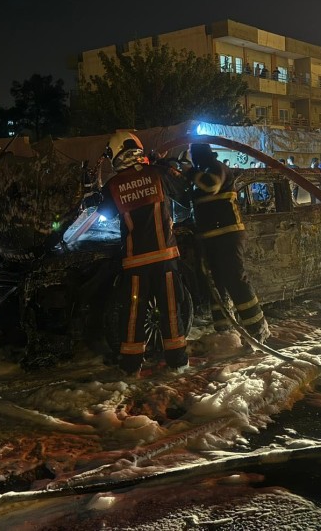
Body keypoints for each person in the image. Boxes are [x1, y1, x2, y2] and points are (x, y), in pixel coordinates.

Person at [97, 131, 190, 375]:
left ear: (116, 154)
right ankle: (177, 362)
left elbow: (104, 214)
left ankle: (131, 366)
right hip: (166, 257)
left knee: (134, 313)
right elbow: (182, 189)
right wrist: (162, 163)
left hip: (135, 262)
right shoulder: (157, 173)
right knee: (171, 310)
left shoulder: (113, 186)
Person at [188, 143, 270, 343]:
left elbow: (211, 185)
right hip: (211, 239)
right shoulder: (201, 174)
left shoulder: (217, 168)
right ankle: (224, 333)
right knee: (217, 286)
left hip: (227, 236)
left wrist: (189, 173)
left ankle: (258, 330)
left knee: (235, 281)